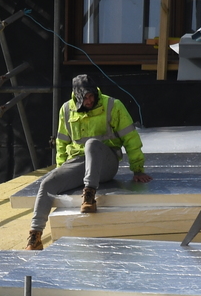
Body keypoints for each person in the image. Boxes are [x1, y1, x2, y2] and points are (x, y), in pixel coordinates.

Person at [28, 74, 151, 251]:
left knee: (92, 144)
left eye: (92, 96)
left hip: (105, 164)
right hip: (79, 163)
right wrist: (62, 169)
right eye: (85, 97)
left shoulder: (112, 106)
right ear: (76, 97)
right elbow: (62, 143)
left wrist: (137, 169)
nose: (90, 100)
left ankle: (89, 196)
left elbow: (131, 139)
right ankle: (35, 236)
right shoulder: (66, 110)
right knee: (47, 183)